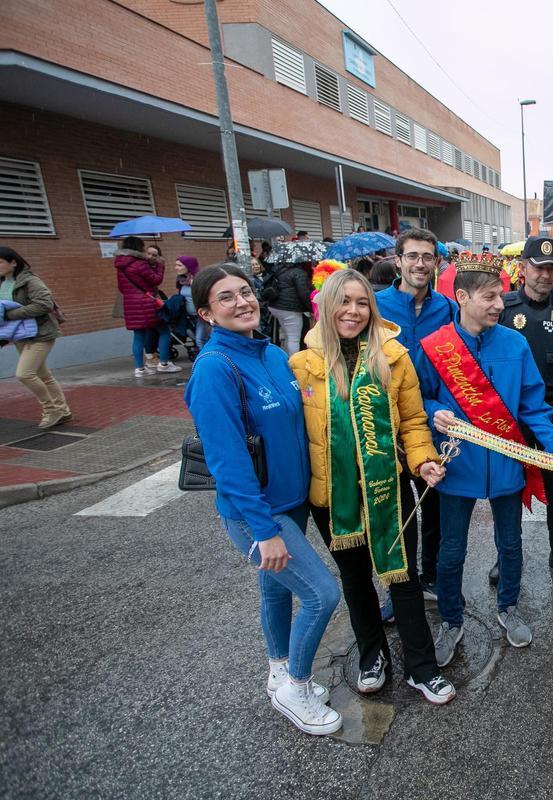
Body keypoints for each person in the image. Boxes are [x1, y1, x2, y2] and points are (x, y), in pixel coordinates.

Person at [184, 264, 342, 736]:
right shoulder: (215, 369)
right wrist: (265, 530)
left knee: (275, 590)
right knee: (320, 594)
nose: (241, 302)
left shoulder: (271, 354)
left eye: (246, 292)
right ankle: (296, 687)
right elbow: (228, 463)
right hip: (260, 513)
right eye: (225, 298)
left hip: (291, 502)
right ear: (206, 313)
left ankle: (278, 671)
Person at [290, 269, 455, 704]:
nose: (353, 311)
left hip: (390, 488)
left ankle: (422, 667)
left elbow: (415, 423)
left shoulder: (394, 357)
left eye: (362, 302)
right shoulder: (303, 365)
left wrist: (424, 461)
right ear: (327, 305)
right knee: (355, 578)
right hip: (332, 497)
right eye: (344, 301)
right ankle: (371, 655)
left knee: (403, 577)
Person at [412, 252, 553, 667]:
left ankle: (508, 608)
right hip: (456, 465)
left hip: (506, 465)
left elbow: (533, 408)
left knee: (511, 544)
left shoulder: (515, 344)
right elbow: (417, 400)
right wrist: (435, 412)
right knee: (451, 552)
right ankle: (450, 619)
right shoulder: (434, 348)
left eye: (500, 296)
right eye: (489, 297)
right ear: (462, 297)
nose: (500, 305)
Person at [497, 236, 553, 586]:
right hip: (511, 415)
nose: (545, 276)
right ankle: (506, 556)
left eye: (552, 269)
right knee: (507, 489)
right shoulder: (503, 308)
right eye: (538, 267)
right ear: (523, 268)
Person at [376, 228, 456, 600]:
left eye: (427, 257)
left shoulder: (447, 308)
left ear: (437, 263)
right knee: (393, 510)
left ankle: (432, 577)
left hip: (432, 423)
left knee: (434, 507)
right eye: (413, 256)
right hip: (385, 423)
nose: (420, 264)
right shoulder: (375, 306)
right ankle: (399, 589)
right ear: (399, 261)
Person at [0, 247, 71, 428]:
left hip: (40, 332)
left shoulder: (30, 280)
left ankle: (51, 410)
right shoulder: (2, 283)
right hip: (19, 334)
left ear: (13, 262)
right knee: (43, 375)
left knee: (24, 374)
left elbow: (44, 304)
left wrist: (11, 315)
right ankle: (63, 411)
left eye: (0, 262)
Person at [114, 236, 181, 376]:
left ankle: (139, 369)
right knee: (164, 331)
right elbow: (156, 279)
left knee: (138, 336)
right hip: (147, 302)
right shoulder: (139, 263)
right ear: (138, 247)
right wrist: (160, 265)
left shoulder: (120, 265)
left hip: (130, 304)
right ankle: (164, 363)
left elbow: (122, 288)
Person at [265, 259, 314, 356]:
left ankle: (287, 358)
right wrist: (312, 308)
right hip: (290, 309)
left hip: (276, 306)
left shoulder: (281, 270)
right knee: (294, 338)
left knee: (287, 335)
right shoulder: (299, 273)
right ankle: (293, 362)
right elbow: (303, 293)